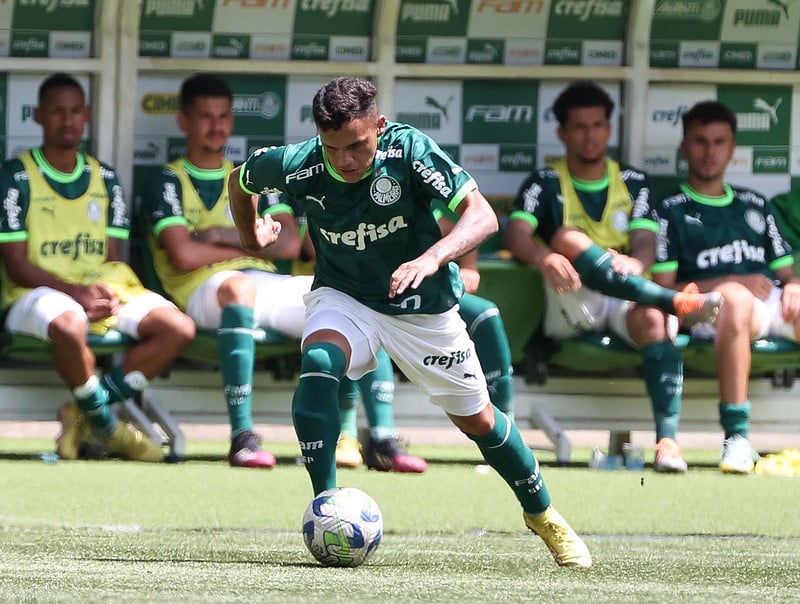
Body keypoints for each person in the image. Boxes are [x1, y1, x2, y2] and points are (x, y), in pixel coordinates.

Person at [229, 75, 593, 568]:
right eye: (334, 149)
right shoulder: (299, 165)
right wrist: (252, 236)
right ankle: (327, 504)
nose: (347, 160)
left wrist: (432, 258)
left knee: (480, 422)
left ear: (378, 125)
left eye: (358, 145)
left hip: (422, 307)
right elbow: (239, 180)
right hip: (346, 296)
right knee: (318, 361)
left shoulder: (409, 150)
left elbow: (482, 216)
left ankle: (543, 514)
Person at [503, 81, 724, 473]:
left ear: (609, 129)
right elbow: (516, 235)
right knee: (567, 238)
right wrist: (544, 258)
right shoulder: (545, 182)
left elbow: (644, 241)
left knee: (654, 321)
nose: (591, 135)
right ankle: (673, 300)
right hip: (572, 299)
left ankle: (667, 444)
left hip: (625, 294)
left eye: (598, 125)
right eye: (580, 127)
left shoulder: (632, 180)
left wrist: (637, 264)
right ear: (562, 133)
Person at [0, 73, 196, 462]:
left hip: (98, 289)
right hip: (33, 294)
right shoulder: (15, 177)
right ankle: (110, 429)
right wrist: (76, 295)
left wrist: (102, 296)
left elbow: (112, 257)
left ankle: (85, 413)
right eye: (57, 111)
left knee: (179, 328)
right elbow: (17, 264)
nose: (67, 120)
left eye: (75, 111)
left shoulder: (105, 178)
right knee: (70, 325)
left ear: (86, 115)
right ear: (37, 116)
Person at [141, 73, 313, 469]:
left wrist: (221, 233)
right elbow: (183, 255)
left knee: (337, 298)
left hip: (261, 282)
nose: (216, 126)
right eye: (205, 116)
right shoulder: (168, 180)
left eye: (223, 116)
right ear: (184, 121)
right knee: (237, 287)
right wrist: (252, 236)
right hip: (199, 292)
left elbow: (288, 243)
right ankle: (242, 436)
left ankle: (359, 437)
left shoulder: (251, 176)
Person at [651, 100, 800, 474]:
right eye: (700, 141)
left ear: (732, 149)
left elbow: (785, 273)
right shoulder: (669, 208)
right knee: (733, 297)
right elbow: (664, 288)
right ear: (684, 147)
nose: (710, 151)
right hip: (706, 310)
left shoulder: (754, 204)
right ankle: (737, 436)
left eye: (720, 142)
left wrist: (795, 284)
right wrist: (729, 282)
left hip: (764, 303)